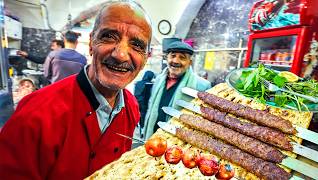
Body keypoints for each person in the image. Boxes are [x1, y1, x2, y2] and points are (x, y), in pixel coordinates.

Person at [0, 1, 152, 179]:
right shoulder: (34, 116)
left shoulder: (131, 106)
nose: (120, 55)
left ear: (145, 59)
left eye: (137, 45)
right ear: (91, 44)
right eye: (109, 36)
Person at [143, 41, 211, 139]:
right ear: (167, 58)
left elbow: (203, 122)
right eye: (173, 56)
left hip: (178, 143)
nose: (176, 61)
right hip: (153, 138)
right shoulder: (158, 80)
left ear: (190, 62)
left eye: (182, 57)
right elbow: (150, 109)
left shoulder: (202, 86)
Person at [134, 70, 155, 137]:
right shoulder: (149, 84)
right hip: (144, 104)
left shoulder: (138, 83)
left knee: (138, 117)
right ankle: (143, 131)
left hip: (136, 102)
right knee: (144, 117)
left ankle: (140, 128)